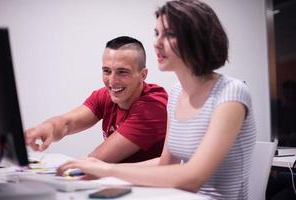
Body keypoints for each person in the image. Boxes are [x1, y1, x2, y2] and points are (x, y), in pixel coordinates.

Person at [57, 1, 256, 199]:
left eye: (169, 34)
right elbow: (166, 165)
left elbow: (193, 177)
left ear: (197, 38)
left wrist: (108, 170)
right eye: (157, 33)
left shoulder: (232, 93)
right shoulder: (177, 93)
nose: (156, 43)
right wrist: (101, 168)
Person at [26, 36, 168, 163]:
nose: (112, 81)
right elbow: (67, 123)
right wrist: (47, 128)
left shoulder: (153, 107)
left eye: (122, 72)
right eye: (106, 71)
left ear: (143, 75)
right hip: (119, 184)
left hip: (152, 190)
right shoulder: (106, 95)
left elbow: (96, 160)